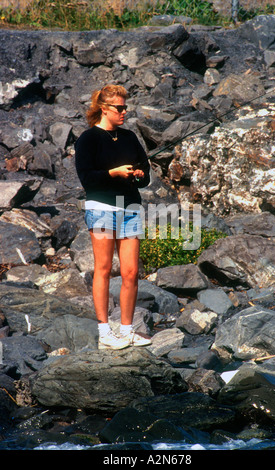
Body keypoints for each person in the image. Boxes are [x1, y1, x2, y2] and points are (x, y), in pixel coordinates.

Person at [75, 84, 151, 350]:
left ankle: (127, 329)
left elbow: (146, 172)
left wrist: (140, 176)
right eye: (119, 108)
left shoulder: (129, 137)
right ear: (103, 109)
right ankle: (105, 332)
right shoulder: (88, 139)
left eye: (125, 107)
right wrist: (113, 173)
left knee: (131, 272)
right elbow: (86, 178)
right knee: (104, 269)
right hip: (102, 209)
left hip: (130, 209)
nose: (124, 112)